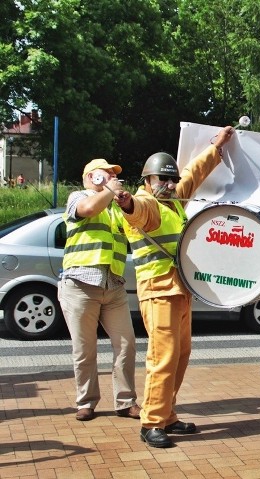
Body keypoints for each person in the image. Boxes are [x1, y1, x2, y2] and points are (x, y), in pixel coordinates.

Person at [121, 126, 235, 448]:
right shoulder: (148, 204)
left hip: (179, 290)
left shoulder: (172, 201)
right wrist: (128, 204)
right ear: (147, 180)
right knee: (163, 356)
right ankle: (152, 422)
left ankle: (167, 414)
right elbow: (137, 213)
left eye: (170, 180)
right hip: (158, 291)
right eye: (162, 180)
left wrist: (216, 147)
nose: (170, 185)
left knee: (181, 354)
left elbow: (191, 174)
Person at [58, 158, 140, 422]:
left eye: (113, 174)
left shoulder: (114, 206)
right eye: (106, 173)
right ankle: (86, 402)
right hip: (81, 284)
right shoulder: (78, 196)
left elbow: (135, 225)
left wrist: (127, 204)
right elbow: (89, 209)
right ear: (90, 176)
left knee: (127, 345)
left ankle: (126, 402)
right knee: (85, 349)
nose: (112, 176)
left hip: (113, 285)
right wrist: (110, 191)